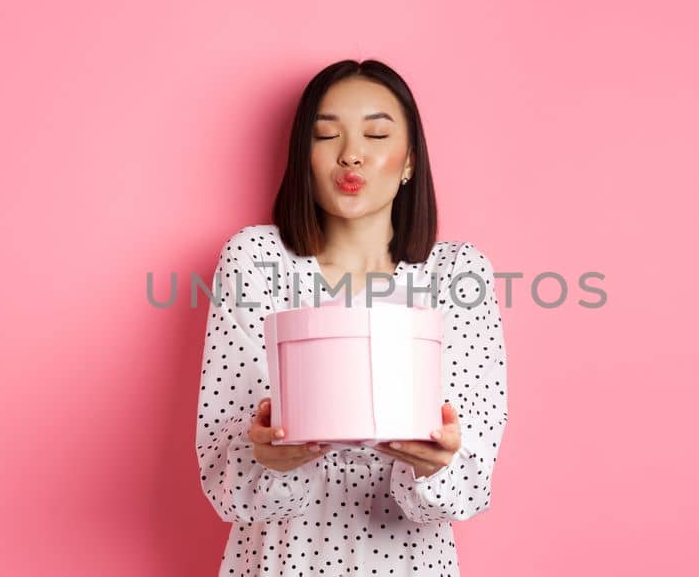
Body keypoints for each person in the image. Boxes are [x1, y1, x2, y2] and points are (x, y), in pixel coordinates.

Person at [193, 59, 509, 576]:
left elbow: (472, 482)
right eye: (326, 135)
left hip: (409, 563)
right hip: (281, 561)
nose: (351, 154)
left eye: (377, 133)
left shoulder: (457, 274)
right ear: (303, 158)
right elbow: (223, 475)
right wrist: (268, 461)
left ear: (409, 160)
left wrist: (436, 467)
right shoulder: (255, 260)